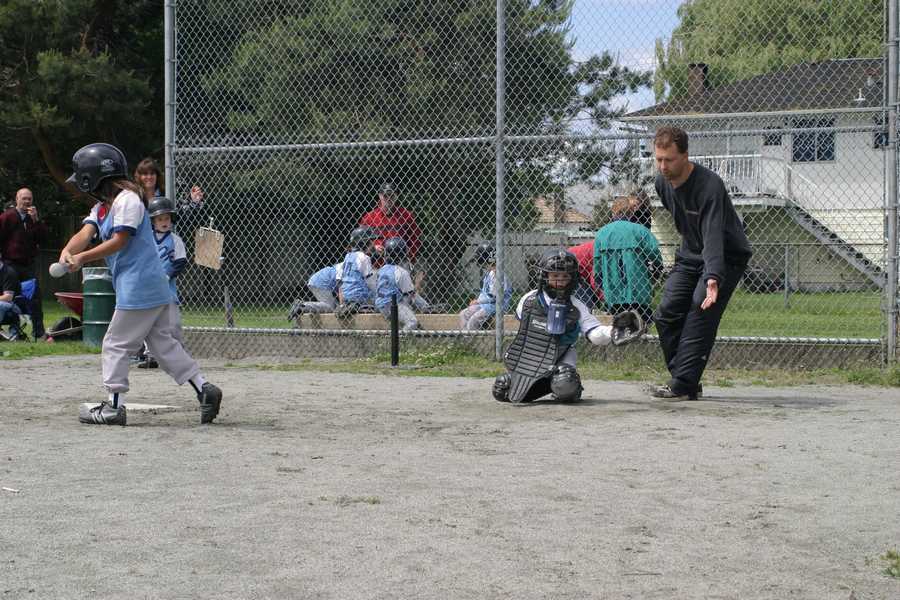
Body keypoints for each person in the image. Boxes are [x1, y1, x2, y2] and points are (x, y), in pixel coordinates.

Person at [60, 143, 223, 426]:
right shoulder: (103, 208)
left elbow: (120, 240)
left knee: (115, 343)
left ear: (93, 178)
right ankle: (204, 389)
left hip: (139, 285)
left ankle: (114, 407)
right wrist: (68, 250)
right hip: (149, 285)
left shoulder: (129, 201)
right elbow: (85, 233)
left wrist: (82, 258)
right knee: (162, 346)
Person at [651, 126, 753, 401]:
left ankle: (682, 384)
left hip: (726, 256)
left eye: (669, 160)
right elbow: (686, 225)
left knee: (700, 308)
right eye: (659, 159)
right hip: (690, 254)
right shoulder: (661, 183)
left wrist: (713, 277)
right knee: (666, 312)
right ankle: (685, 379)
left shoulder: (709, 186)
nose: (663, 166)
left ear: (685, 156)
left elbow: (712, 233)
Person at [491, 248, 644, 404]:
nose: (561, 281)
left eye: (565, 276)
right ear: (544, 276)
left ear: (573, 278)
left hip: (563, 354)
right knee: (501, 389)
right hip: (532, 358)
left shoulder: (576, 305)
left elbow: (594, 333)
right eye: (555, 276)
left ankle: (565, 387)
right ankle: (540, 383)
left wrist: (613, 332)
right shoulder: (528, 300)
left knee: (565, 383)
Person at [134, 196, 190, 369]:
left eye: (167, 218)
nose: (164, 222)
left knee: (173, 323)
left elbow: (181, 262)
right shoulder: (146, 240)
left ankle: (179, 354)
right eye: (160, 219)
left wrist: (168, 275)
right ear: (152, 221)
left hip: (167, 289)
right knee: (149, 324)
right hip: (148, 289)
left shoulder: (175, 240)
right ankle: (151, 356)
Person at [594, 197, 663, 325]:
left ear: (613, 212)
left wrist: (600, 281)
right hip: (638, 289)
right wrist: (656, 270)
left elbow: (597, 265)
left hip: (613, 290)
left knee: (617, 325)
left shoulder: (602, 233)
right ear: (631, 213)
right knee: (642, 323)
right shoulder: (640, 231)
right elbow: (654, 253)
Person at [0, 188, 50, 339]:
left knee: (35, 297)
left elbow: (43, 239)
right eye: (24, 198)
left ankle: (38, 331)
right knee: (12, 297)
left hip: (28, 265)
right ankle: (14, 332)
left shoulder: (32, 219)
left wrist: (36, 221)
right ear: (17, 199)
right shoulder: (7, 216)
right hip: (10, 264)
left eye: (29, 199)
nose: (27, 201)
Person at [134, 158, 205, 235]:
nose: (149, 177)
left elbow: (181, 217)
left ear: (157, 176)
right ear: (139, 177)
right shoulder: (135, 196)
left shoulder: (166, 194)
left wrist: (194, 202)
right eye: (145, 174)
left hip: (164, 239)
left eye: (152, 174)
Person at [359, 182, 422, 265]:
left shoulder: (406, 216)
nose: (388, 198)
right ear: (380, 196)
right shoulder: (369, 217)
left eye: (391, 196)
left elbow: (415, 241)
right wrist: (373, 248)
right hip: (376, 264)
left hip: (399, 263)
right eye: (385, 196)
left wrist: (405, 251)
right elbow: (359, 242)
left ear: (396, 196)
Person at [375, 237, 429, 331]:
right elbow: (411, 295)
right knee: (412, 321)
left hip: (380, 304)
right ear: (403, 255)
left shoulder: (381, 270)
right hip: (393, 306)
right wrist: (425, 306)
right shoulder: (401, 272)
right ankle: (401, 338)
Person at [459, 242, 512, 331]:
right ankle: (466, 337)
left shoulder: (498, 275)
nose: (483, 266)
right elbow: (484, 292)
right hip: (485, 304)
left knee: (473, 320)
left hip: (496, 306)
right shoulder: (489, 273)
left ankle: (472, 338)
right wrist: (478, 301)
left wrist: (478, 301)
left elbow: (494, 298)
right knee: (463, 314)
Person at [335, 226, 379, 317]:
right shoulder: (364, 257)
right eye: (371, 241)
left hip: (346, 296)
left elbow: (341, 281)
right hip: (359, 295)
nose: (373, 244)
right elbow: (370, 282)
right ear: (363, 242)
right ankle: (361, 305)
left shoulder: (348, 256)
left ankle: (350, 305)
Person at [287, 261, 345, 325]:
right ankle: (303, 306)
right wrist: (342, 306)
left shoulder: (346, 263)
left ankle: (298, 320)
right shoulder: (347, 267)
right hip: (321, 282)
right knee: (331, 307)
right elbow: (341, 289)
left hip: (320, 280)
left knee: (335, 306)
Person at [566, 240, 602, 309]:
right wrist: (604, 297)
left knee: (592, 300)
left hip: (581, 267)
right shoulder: (600, 251)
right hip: (571, 265)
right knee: (587, 304)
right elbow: (595, 279)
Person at [0, 262, 22, 340]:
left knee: (0, 304)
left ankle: (8, 335)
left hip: (13, 306)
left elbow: (8, 297)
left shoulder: (8, 273)